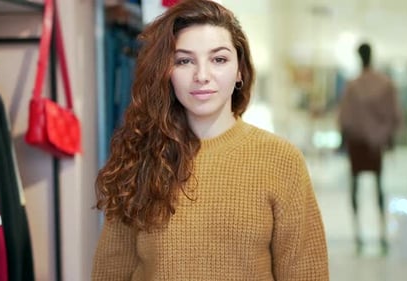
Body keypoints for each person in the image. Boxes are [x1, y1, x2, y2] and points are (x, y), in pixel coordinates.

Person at [91, 1, 329, 280]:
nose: (202, 76)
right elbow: (111, 271)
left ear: (239, 70)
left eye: (219, 59)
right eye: (184, 61)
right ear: (166, 73)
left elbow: (305, 272)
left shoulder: (281, 160)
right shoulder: (141, 157)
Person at [338, 43, 401, 256]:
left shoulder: (354, 86)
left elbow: (345, 117)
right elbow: (394, 114)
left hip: (358, 141)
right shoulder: (384, 84)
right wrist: (388, 136)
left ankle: (359, 235)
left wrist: (342, 138)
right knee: (379, 187)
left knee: (356, 187)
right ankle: (381, 235)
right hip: (375, 142)